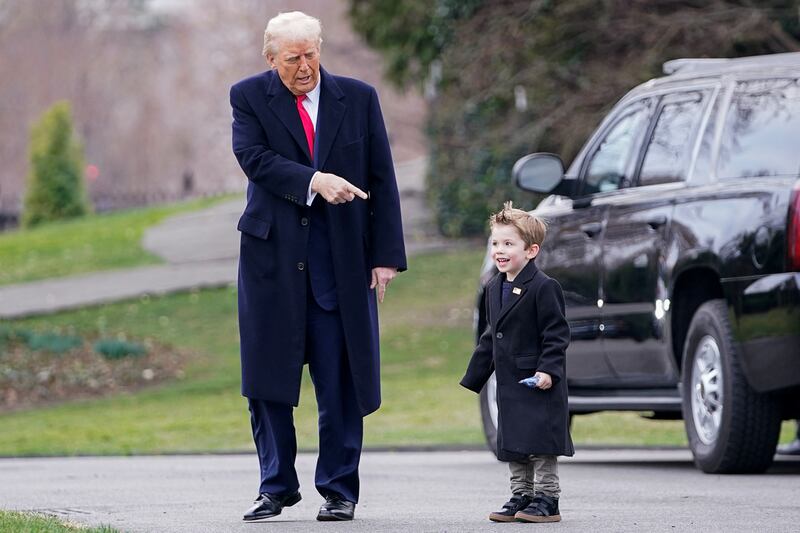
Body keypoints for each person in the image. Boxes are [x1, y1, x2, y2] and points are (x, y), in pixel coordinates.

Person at [229, 11, 406, 522]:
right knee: (267, 382)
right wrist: (315, 180)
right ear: (271, 59)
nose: (304, 66)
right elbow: (253, 158)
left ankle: (339, 489)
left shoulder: (359, 97)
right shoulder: (247, 97)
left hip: (342, 265)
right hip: (272, 265)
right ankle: (275, 486)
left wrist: (386, 257)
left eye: (311, 54)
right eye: (292, 59)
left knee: (342, 382)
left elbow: (383, 178)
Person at [460, 202, 573, 523]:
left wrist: (549, 370)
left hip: (537, 381)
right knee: (514, 443)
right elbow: (491, 335)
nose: (499, 250)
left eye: (508, 244)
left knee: (540, 442)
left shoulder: (544, 287)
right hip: (510, 384)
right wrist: (475, 375)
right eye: (495, 243)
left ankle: (548, 499)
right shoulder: (494, 287)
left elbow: (557, 334)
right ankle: (521, 494)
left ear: (531, 250)